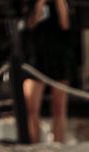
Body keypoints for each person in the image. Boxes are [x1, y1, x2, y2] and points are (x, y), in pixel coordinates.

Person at [22, 0, 72, 143]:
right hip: (36, 59)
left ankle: (59, 144)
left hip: (58, 58)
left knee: (59, 108)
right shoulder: (31, 3)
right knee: (32, 109)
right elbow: (31, 24)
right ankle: (34, 144)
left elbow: (65, 24)